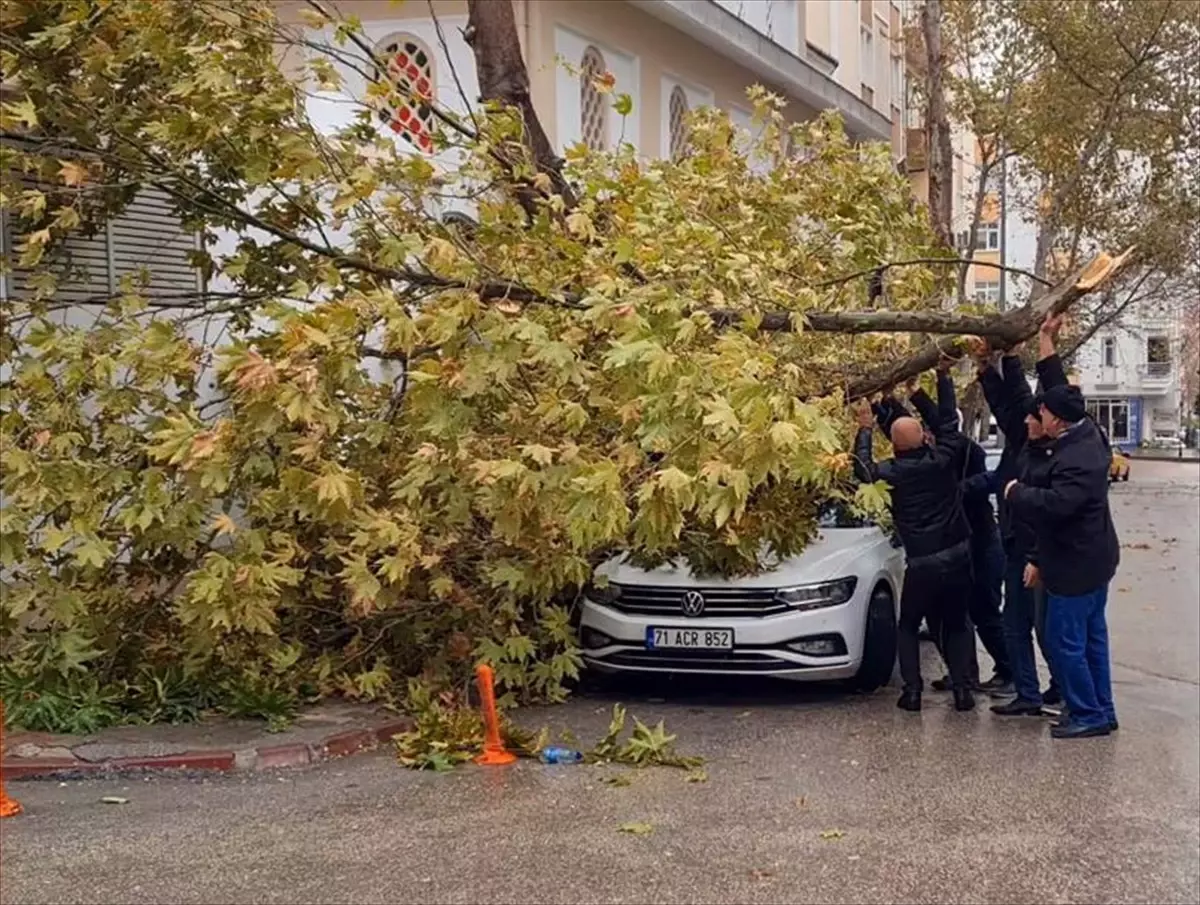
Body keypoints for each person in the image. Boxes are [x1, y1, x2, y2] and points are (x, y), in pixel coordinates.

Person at [1003, 360, 1121, 739]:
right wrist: (1047, 348)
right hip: (1093, 559)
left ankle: (1088, 713)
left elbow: (1057, 505)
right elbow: (1060, 393)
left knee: (1063, 641)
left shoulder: (1075, 458)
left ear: (1057, 421)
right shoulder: (1087, 433)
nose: (1038, 415)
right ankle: (1102, 708)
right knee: (1091, 639)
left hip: (1076, 565)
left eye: (1043, 411)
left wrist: (1016, 493)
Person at [851, 387, 976, 713]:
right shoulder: (943, 460)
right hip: (958, 552)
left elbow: (862, 471)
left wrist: (866, 427)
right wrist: (917, 394)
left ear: (893, 446)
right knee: (959, 622)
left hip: (922, 561)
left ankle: (913, 691)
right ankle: (963, 690)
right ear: (924, 439)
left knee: (907, 625)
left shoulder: (892, 473)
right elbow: (949, 429)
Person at [969, 314, 1068, 716]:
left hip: (1038, 552)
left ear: (1050, 423)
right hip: (1015, 546)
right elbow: (1009, 402)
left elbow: (1046, 391)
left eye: (1035, 416)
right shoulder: (1024, 439)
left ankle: (1060, 686)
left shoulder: (1055, 455)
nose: (1026, 420)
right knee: (1016, 625)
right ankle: (1028, 693)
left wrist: (1036, 558)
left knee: (1044, 628)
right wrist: (998, 360)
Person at [907, 366, 1013, 695]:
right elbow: (902, 438)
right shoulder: (935, 457)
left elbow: (945, 427)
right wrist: (895, 400)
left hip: (981, 543)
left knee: (984, 611)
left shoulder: (967, 452)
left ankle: (1010, 672)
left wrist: (938, 382)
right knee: (951, 614)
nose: (927, 436)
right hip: (958, 547)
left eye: (931, 430)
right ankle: (962, 673)